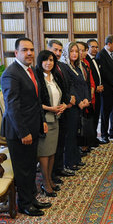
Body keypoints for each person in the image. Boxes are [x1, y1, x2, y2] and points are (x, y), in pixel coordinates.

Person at [1, 37, 50, 217]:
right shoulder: (11, 73)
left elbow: (37, 100)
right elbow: (12, 106)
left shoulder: (31, 71)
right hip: (19, 131)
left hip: (33, 126)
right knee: (23, 169)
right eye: (24, 50)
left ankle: (32, 198)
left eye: (31, 50)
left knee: (31, 166)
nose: (29, 53)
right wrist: (24, 132)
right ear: (16, 53)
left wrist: (42, 120)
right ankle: (24, 204)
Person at [36, 50, 67, 197]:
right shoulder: (37, 77)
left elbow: (60, 95)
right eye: (46, 60)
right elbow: (36, 102)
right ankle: (45, 182)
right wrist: (51, 108)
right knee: (44, 153)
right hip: (44, 119)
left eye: (51, 60)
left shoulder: (54, 77)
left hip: (56, 118)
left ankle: (49, 179)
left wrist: (61, 106)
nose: (49, 63)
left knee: (52, 152)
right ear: (40, 62)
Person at [46, 40, 75, 179]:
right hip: (52, 112)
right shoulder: (44, 69)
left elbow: (68, 86)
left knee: (61, 141)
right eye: (55, 50)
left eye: (60, 50)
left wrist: (68, 100)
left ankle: (59, 167)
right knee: (53, 145)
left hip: (64, 109)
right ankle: (52, 173)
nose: (58, 53)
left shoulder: (62, 66)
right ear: (48, 49)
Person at [60, 41, 90, 171]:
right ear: (67, 52)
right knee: (70, 134)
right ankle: (69, 161)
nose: (74, 54)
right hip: (72, 106)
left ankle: (76, 159)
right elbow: (70, 87)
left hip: (80, 105)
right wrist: (78, 101)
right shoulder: (65, 67)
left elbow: (83, 84)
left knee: (76, 133)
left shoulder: (78, 66)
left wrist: (86, 99)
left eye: (76, 51)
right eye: (71, 51)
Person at [86, 39, 105, 144]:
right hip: (91, 93)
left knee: (96, 116)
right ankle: (91, 139)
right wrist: (95, 87)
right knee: (91, 118)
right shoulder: (86, 60)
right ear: (88, 48)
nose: (95, 49)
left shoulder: (97, 59)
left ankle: (94, 137)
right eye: (92, 47)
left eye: (96, 47)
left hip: (99, 92)